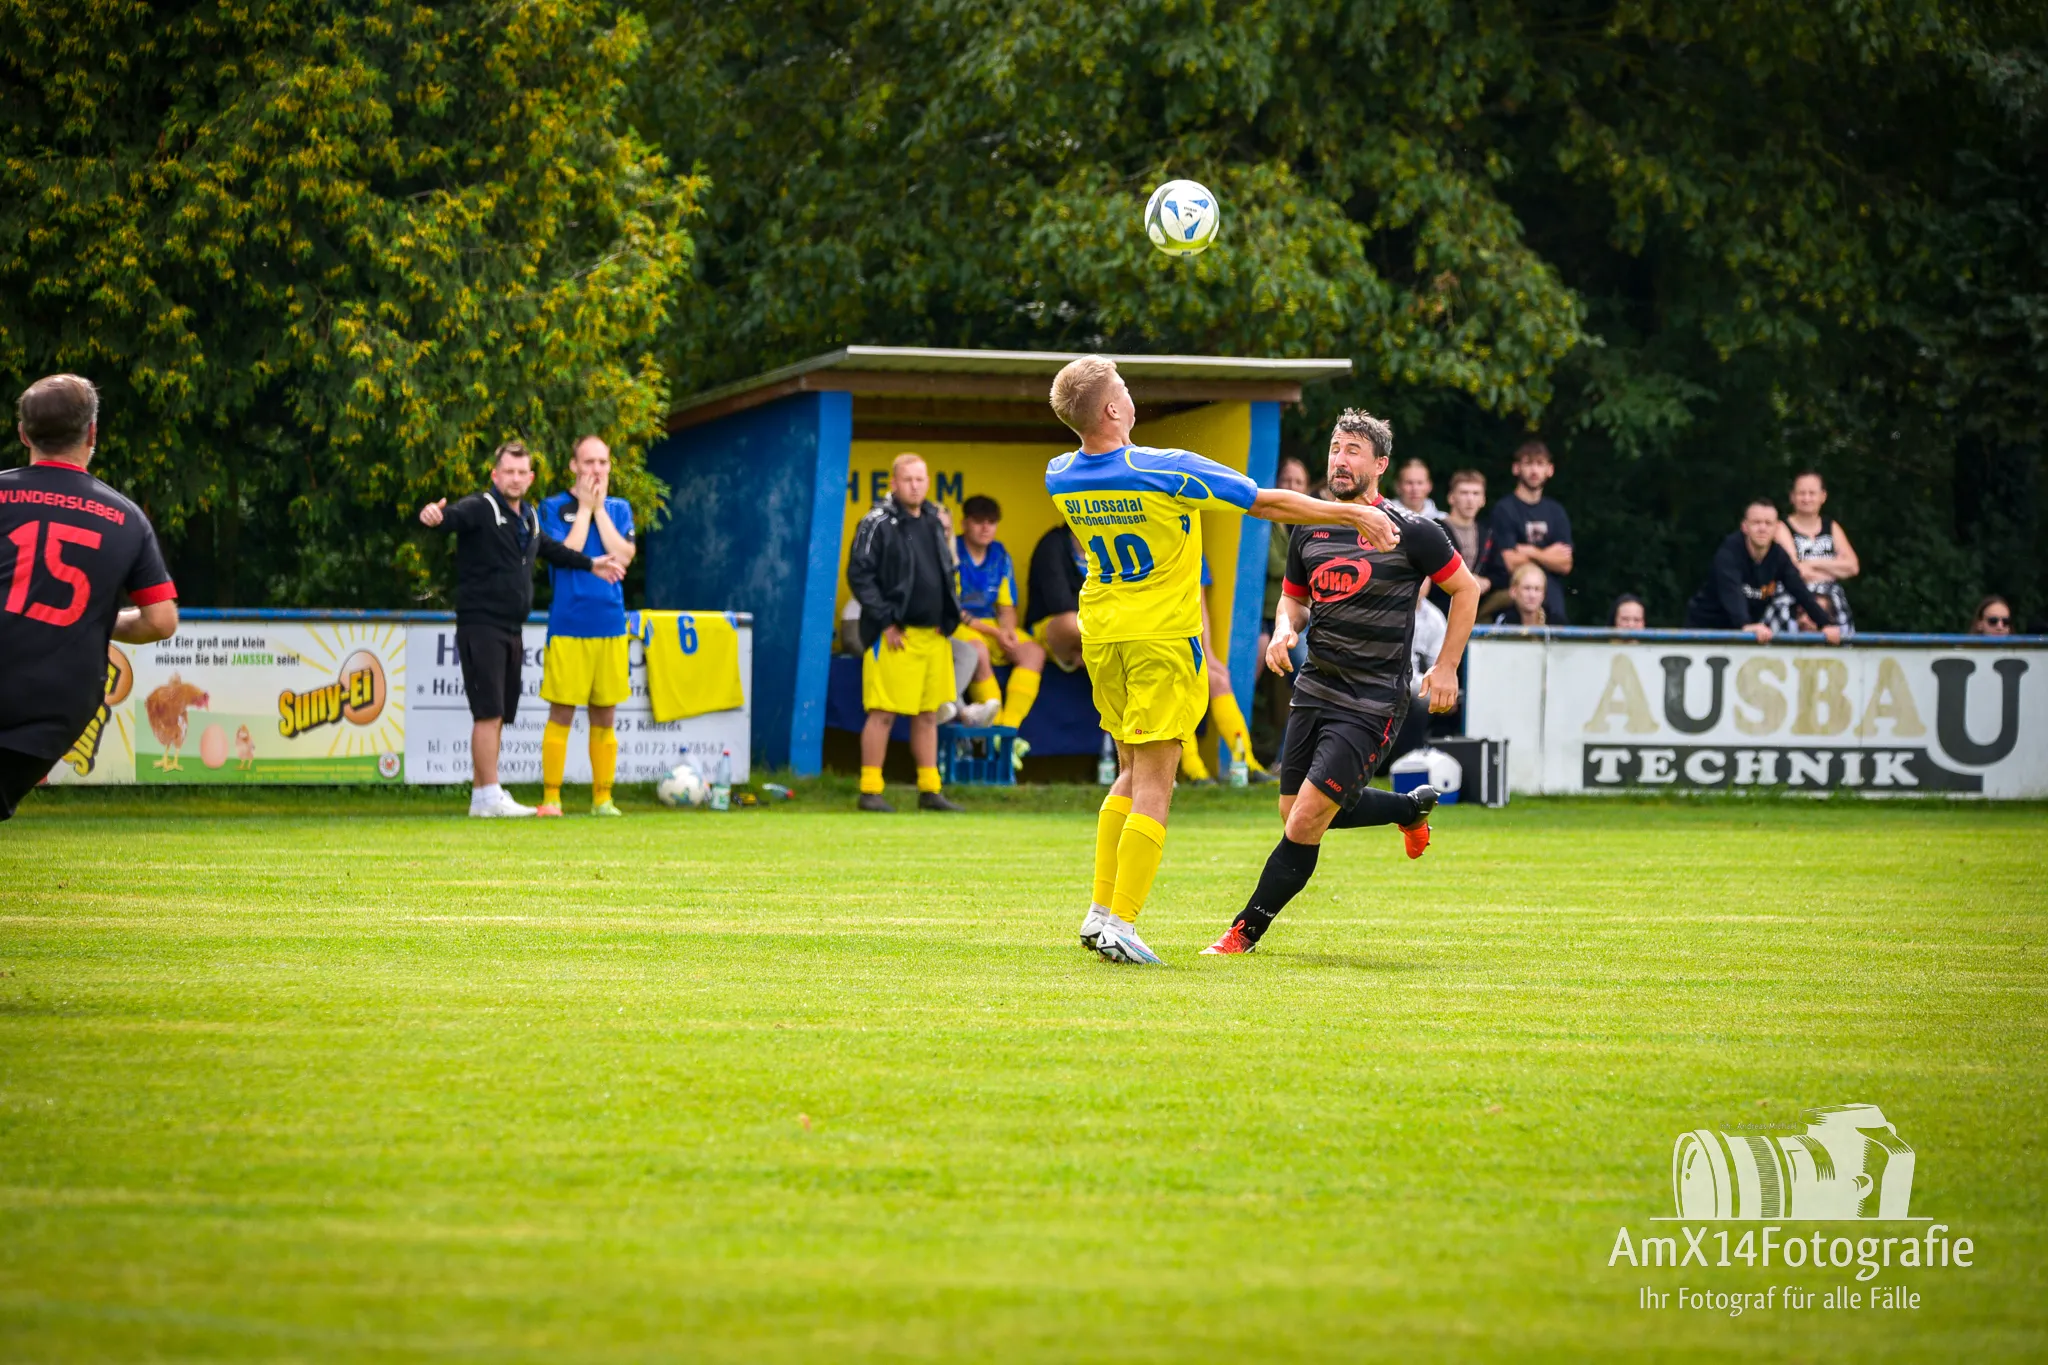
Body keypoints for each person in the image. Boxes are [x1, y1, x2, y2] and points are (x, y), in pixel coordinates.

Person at [1045, 357, 1397, 966]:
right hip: (1159, 639)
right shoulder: (1163, 468)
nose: (1131, 394)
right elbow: (1262, 503)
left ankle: (1100, 912)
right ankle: (1122, 922)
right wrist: (1351, 511)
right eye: (1124, 388)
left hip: (1103, 634)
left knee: (1129, 770)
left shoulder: (1060, 474)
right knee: (1156, 780)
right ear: (1113, 408)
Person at [1203, 409, 1480, 955]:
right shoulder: (1310, 526)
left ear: (1380, 465)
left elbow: (1466, 590)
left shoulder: (1413, 531)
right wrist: (1285, 629)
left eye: (1354, 450)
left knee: (1306, 820)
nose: (1340, 459)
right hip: (1315, 688)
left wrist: (1446, 666)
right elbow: (1294, 599)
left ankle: (1242, 933)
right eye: (1335, 448)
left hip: (1372, 699)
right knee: (1293, 811)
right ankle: (1409, 809)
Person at [0, 375, 181, 821]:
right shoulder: (127, 518)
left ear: (23, 434)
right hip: (54, 713)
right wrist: (96, 619)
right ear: (92, 433)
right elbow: (161, 620)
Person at [419, 440, 619, 818]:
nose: (514, 478)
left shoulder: (529, 517)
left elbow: (553, 550)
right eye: (507, 472)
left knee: (498, 714)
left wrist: (592, 564)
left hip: (512, 628)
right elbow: (451, 518)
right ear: (495, 475)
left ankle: (483, 797)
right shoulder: (482, 507)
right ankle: (489, 794)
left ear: (530, 477)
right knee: (488, 713)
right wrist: (435, 515)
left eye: (521, 472)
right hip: (482, 624)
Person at [846, 453, 967, 813]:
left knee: (928, 714)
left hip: (934, 635)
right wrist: (885, 621)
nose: (915, 486)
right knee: (882, 713)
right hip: (895, 635)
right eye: (908, 479)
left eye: (920, 479)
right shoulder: (876, 521)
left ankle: (930, 790)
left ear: (927, 482)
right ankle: (870, 790)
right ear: (894, 483)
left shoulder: (933, 519)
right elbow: (859, 575)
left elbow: (946, 571)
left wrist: (948, 617)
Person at [536, 436, 638, 817]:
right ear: (573, 466)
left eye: (603, 462)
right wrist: (583, 509)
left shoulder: (620, 508)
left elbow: (624, 555)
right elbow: (567, 554)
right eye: (589, 462)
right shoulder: (552, 507)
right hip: (568, 624)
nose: (596, 469)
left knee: (605, 713)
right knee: (562, 711)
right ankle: (552, 797)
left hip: (610, 624)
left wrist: (599, 512)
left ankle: (602, 799)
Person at [1684, 499, 1841, 643]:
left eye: (1768, 523)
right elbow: (1732, 592)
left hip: (1744, 632)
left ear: (1776, 528)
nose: (1762, 528)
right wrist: (1746, 624)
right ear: (1744, 527)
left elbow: (1800, 591)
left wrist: (1825, 624)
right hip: (1706, 630)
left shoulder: (1779, 556)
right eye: (1756, 522)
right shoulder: (1729, 553)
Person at [952, 495, 1044, 729]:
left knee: (1033, 652)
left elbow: (1006, 606)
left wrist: (1008, 631)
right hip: (957, 625)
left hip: (990, 625)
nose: (985, 528)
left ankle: (1010, 727)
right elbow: (953, 609)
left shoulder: (999, 554)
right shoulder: (952, 551)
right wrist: (996, 633)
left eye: (991, 522)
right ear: (964, 523)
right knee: (978, 652)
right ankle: (994, 729)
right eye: (978, 521)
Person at [1481, 440, 1572, 621]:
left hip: (1553, 603)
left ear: (1550, 470)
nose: (1534, 470)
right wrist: (1548, 555)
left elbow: (1565, 564)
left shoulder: (1556, 511)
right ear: (1516, 468)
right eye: (1528, 463)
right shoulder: (1504, 509)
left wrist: (1530, 551)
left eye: (1540, 464)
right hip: (1513, 601)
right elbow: (1510, 562)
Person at [1767, 471, 1857, 637]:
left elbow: (1852, 567)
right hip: (1793, 596)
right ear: (1792, 497)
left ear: (1823, 496)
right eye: (1801, 493)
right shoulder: (1781, 527)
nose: (1806, 498)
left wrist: (1810, 563)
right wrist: (1833, 568)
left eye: (1812, 493)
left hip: (1831, 600)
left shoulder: (1831, 526)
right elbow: (1795, 571)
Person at [1022, 525, 1086, 673]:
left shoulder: (1108, 548)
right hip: (1048, 628)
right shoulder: (1053, 544)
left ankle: (1084, 659)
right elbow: (1060, 603)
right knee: (1075, 623)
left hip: (1095, 626)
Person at [1437, 470, 1492, 598]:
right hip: (1441, 598)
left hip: (1479, 599)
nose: (1470, 499)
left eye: (1476, 493)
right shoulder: (1437, 529)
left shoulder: (1487, 533)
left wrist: (1487, 582)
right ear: (1451, 498)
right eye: (1464, 493)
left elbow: (1499, 572)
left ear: (1483, 500)